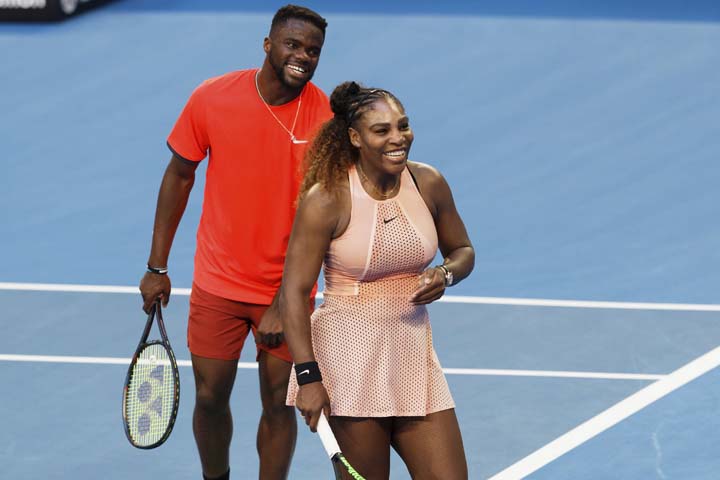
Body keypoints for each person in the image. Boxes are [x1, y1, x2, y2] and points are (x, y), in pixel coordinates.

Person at [138, 5, 331, 480]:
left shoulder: (323, 115)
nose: (302, 57)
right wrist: (157, 267)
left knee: (277, 402)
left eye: (313, 51)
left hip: (288, 288)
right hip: (218, 284)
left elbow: (324, 219)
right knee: (208, 397)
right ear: (268, 45)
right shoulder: (212, 97)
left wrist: (282, 302)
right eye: (292, 45)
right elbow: (180, 175)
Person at [263, 81, 475, 479]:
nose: (398, 138)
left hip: (413, 355)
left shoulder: (427, 182)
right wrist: (309, 377)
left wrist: (444, 273)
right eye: (383, 131)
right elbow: (293, 293)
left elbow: (463, 250)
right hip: (348, 363)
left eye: (403, 126)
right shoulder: (327, 198)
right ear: (355, 137)